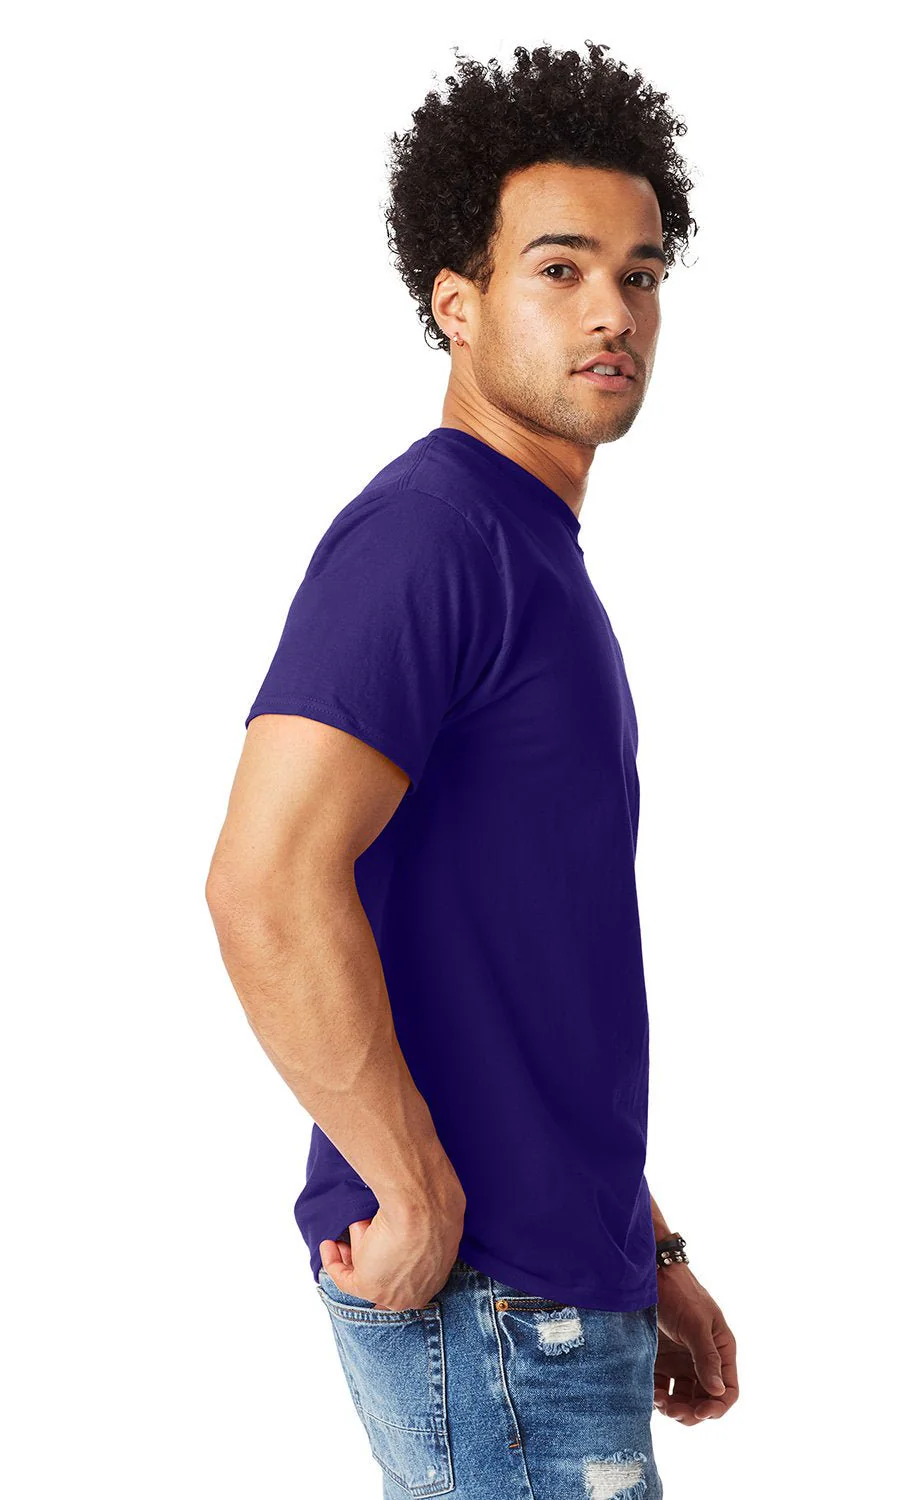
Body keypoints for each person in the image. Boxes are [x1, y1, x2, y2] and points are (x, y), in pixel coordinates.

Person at [206, 40, 739, 1497]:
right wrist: (414, 1187)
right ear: (456, 301)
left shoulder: (526, 550)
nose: (613, 311)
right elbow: (263, 880)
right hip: (492, 1304)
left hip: (557, 1288)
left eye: (640, 274)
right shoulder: (432, 536)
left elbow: (520, 964)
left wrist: (646, 1244)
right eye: (559, 269)